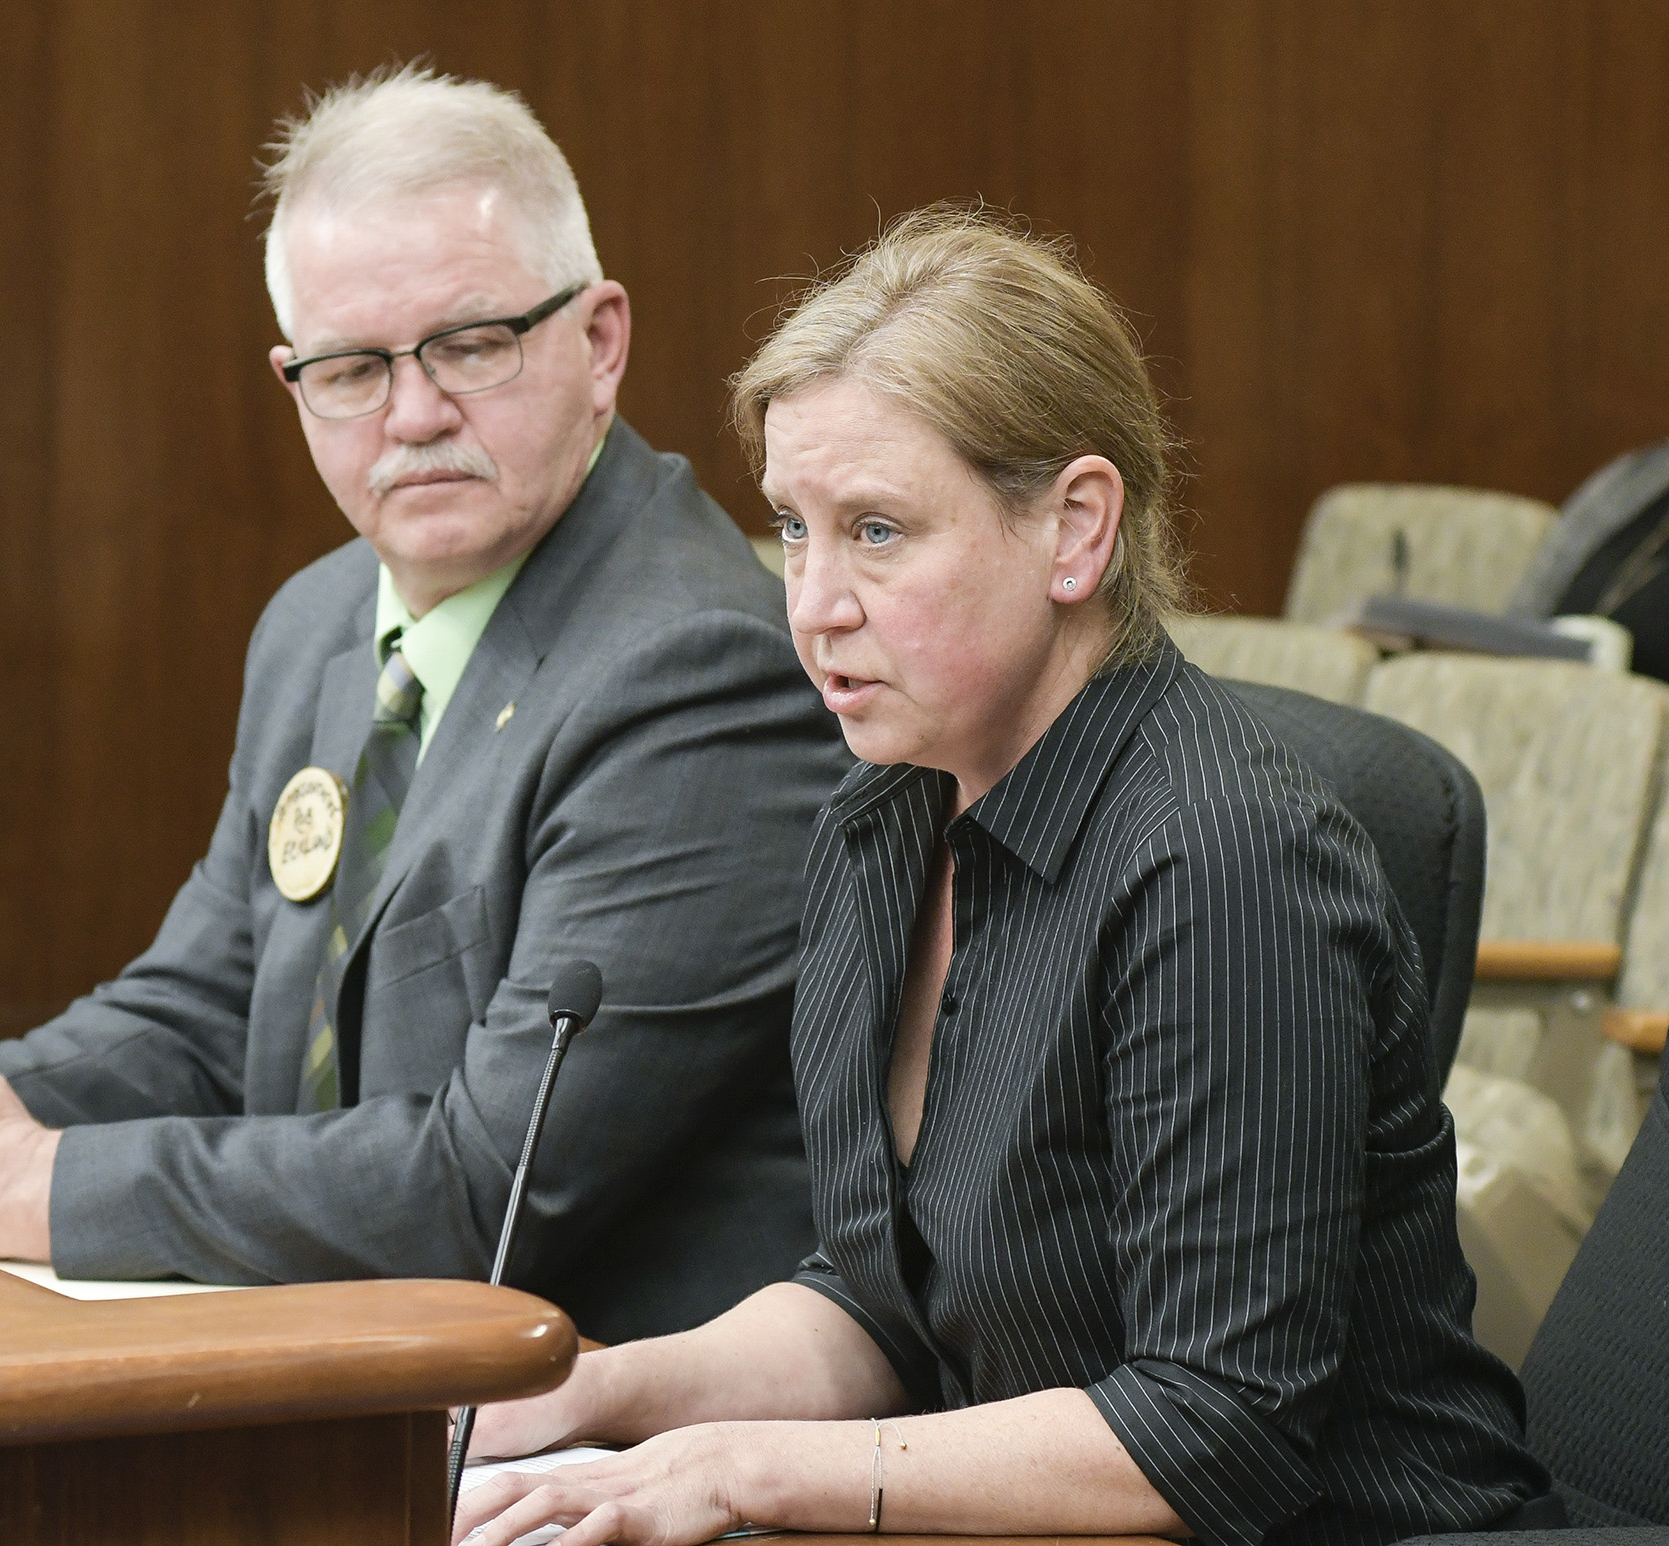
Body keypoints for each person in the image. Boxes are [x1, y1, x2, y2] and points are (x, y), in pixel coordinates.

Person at [454, 208, 1549, 1544]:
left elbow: (1212, 1432)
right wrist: (588, 1396)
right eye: (793, 528)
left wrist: (741, 1469)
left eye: (877, 532)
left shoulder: (1224, 856)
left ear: (1076, 529)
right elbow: (881, 1306)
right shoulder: (881, 815)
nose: (813, 602)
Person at [0, 66, 849, 1345]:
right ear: (294, 382)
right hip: (334, 1374)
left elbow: (486, 1189)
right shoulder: (319, 622)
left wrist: (39, 1185)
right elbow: (203, 1012)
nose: (413, 414)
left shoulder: (695, 672)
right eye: (353, 367)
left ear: (600, 341)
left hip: (587, 1442)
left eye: (471, 345)